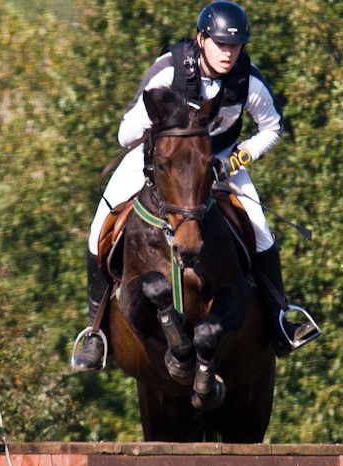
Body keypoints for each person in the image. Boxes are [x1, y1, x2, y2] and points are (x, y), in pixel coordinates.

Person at [72, 0, 319, 371]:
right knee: (97, 232)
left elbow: (272, 129)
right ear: (201, 39)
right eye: (221, 44)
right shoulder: (168, 72)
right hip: (163, 162)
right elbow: (126, 134)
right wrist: (164, 138)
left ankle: (281, 318)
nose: (228, 53)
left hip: (218, 162)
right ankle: (95, 333)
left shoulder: (247, 81)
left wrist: (231, 162)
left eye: (235, 46)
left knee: (261, 231)